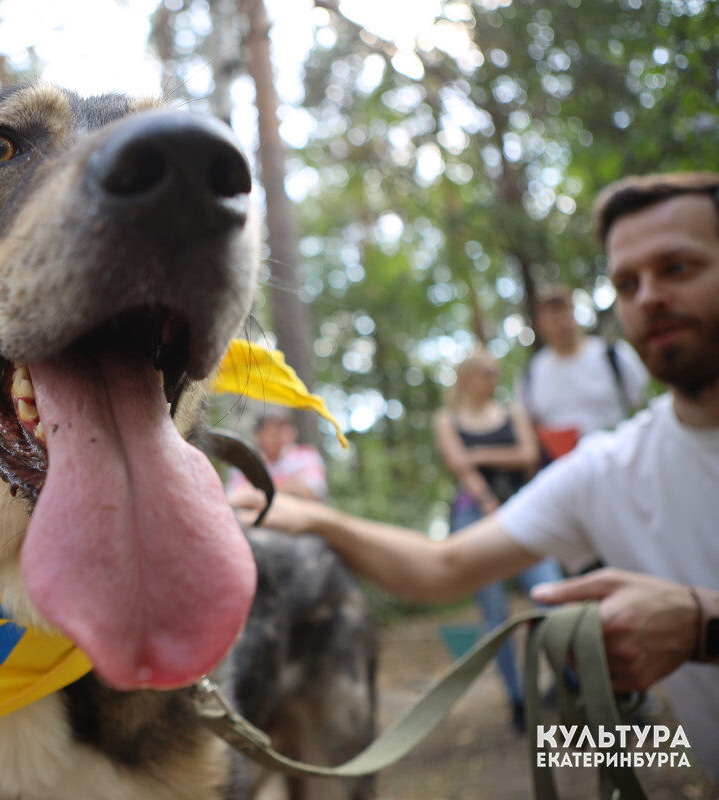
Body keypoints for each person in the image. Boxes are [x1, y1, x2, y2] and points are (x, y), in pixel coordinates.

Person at [231, 171, 719, 779]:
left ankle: (611, 722)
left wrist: (703, 628)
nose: (648, 296)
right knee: (511, 614)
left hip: (516, 501)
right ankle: (531, 710)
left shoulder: (559, 433)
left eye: (678, 268)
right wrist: (320, 519)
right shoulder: (608, 468)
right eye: (627, 282)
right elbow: (443, 566)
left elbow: (516, 452)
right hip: (491, 512)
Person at [434, 349, 563, 730]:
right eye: (486, 372)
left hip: (525, 509)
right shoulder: (448, 419)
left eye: (495, 372)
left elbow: (527, 454)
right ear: (467, 377)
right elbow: (459, 466)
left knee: (549, 594)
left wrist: (478, 453)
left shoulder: (513, 413)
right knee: (494, 612)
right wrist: (486, 497)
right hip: (475, 515)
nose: (493, 377)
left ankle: (569, 680)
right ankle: (518, 700)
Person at [520, 283, 649, 461]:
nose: (562, 322)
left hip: (620, 458)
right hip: (560, 468)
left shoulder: (613, 354)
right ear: (540, 324)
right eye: (553, 316)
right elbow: (528, 427)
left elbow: (643, 407)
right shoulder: (531, 373)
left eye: (565, 312)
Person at [226, 406, 328, 501]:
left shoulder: (306, 455)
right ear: (258, 435)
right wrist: (290, 485)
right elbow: (234, 494)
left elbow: (313, 488)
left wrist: (258, 490)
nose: (277, 434)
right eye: (270, 430)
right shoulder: (247, 463)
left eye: (280, 427)